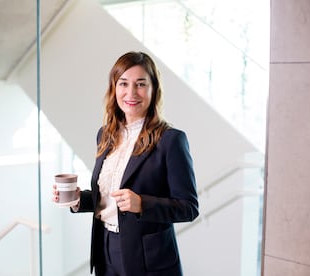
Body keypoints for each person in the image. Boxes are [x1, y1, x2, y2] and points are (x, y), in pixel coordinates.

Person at [52, 51, 199, 276]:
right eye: (123, 84)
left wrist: (142, 203)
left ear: (153, 90)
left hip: (149, 260)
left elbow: (188, 208)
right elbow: (109, 197)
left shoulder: (171, 140)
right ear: (114, 88)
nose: (131, 93)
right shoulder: (105, 135)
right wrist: (78, 200)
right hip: (104, 248)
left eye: (140, 84)